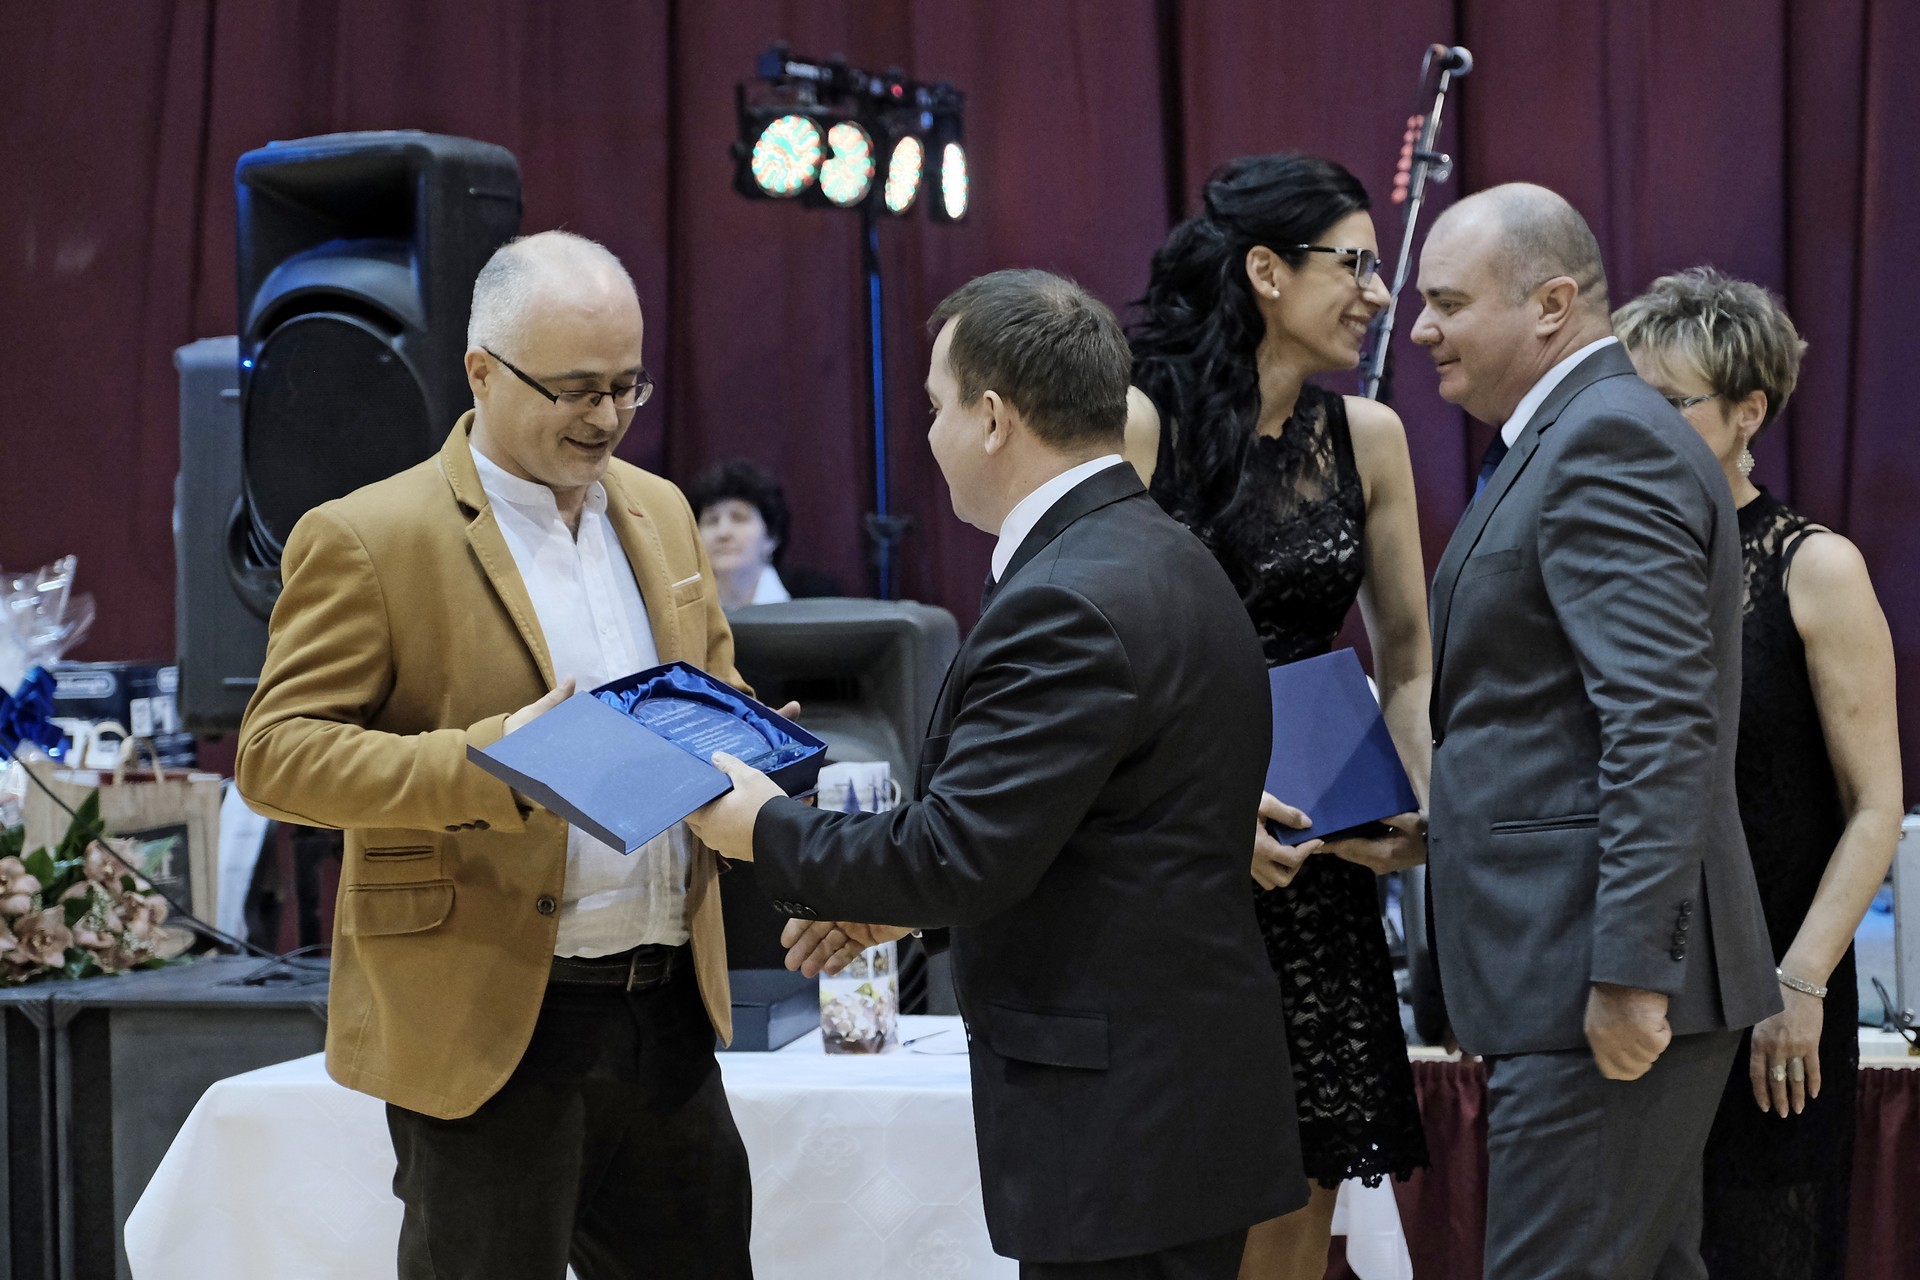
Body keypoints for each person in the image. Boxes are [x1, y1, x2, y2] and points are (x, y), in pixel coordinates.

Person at [688, 268, 1307, 1279]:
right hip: (1170, 1101)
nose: (929, 435)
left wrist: (760, 823)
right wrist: (903, 907)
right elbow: (1080, 833)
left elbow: (957, 851)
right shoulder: (1163, 551)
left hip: (1122, 1124)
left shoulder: (1068, 593)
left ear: (990, 417)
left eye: (935, 407)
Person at [235, 231, 756, 1280]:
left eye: (627, 385)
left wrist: (748, 738)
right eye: (574, 389)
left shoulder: (660, 510)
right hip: (485, 1022)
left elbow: (713, 681)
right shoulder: (368, 535)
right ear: (482, 371)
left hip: (666, 1011)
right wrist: (491, 761)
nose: (605, 416)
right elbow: (276, 756)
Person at [1412, 184, 1781, 1280]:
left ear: (1552, 305)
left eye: (1448, 302)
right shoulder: (1571, 435)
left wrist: (1630, 972)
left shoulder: (1605, 439)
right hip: (1562, 969)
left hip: (1594, 980)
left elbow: (1662, 722)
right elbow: (1549, 718)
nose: (1421, 328)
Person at [1125, 152, 1431, 1279]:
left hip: (1320, 866)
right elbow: (1089, 664)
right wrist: (1205, 810)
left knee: (1306, 1190)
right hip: (1173, 862)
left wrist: (1418, 800)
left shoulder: (1370, 436)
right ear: (1266, 270)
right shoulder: (1136, 421)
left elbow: (1408, 657)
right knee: (1183, 1204)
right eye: (1356, 264)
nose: (1380, 292)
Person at [1614, 268, 1903, 1280]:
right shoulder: (1610, 561)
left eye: (1671, 404)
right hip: (1639, 992)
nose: (1639, 428)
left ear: (1749, 411)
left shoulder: (1815, 566)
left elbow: (1876, 807)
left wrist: (1799, 981)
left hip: (1778, 986)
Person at [686, 458, 842, 607]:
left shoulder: (815, 595)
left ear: (771, 537)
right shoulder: (683, 604)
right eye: (711, 521)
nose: (723, 532)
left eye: (739, 518)